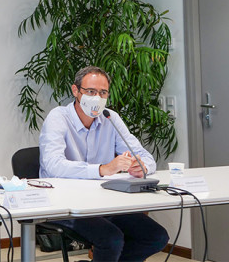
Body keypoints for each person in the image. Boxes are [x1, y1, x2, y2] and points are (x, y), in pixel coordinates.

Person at [39, 66, 169, 261]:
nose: (97, 98)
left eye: (103, 93)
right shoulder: (58, 117)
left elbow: (145, 156)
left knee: (156, 237)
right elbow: (53, 164)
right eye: (91, 91)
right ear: (76, 91)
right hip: (66, 204)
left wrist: (141, 167)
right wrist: (103, 169)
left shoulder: (110, 117)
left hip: (104, 203)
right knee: (111, 239)